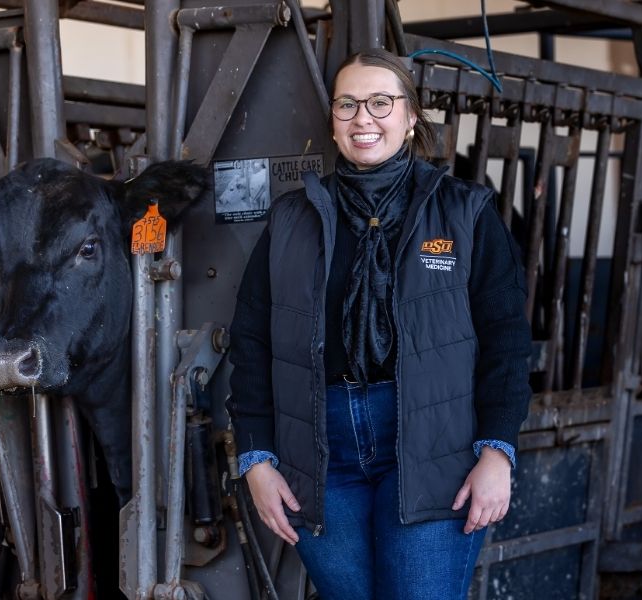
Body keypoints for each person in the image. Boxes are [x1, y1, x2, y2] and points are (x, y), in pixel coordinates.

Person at [227, 48, 531, 600]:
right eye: (348, 105)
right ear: (334, 122)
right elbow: (251, 343)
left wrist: (497, 452)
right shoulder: (292, 219)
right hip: (319, 452)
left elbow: (506, 342)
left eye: (380, 102)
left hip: (434, 450)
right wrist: (256, 458)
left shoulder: (466, 213)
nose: (363, 118)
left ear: (411, 116)